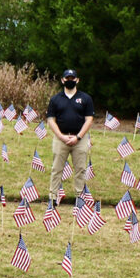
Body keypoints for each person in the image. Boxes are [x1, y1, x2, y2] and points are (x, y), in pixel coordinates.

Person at [45, 69, 95, 199]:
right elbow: (51, 120)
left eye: (72, 79)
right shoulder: (55, 99)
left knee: (80, 170)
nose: (70, 81)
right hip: (60, 138)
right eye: (67, 79)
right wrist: (61, 136)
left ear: (77, 80)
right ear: (63, 80)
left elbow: (89, 119)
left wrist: (78, 137)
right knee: (56, 170)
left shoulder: (85, 98)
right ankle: (53, 198)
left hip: (80, 139)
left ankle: (80, 198)